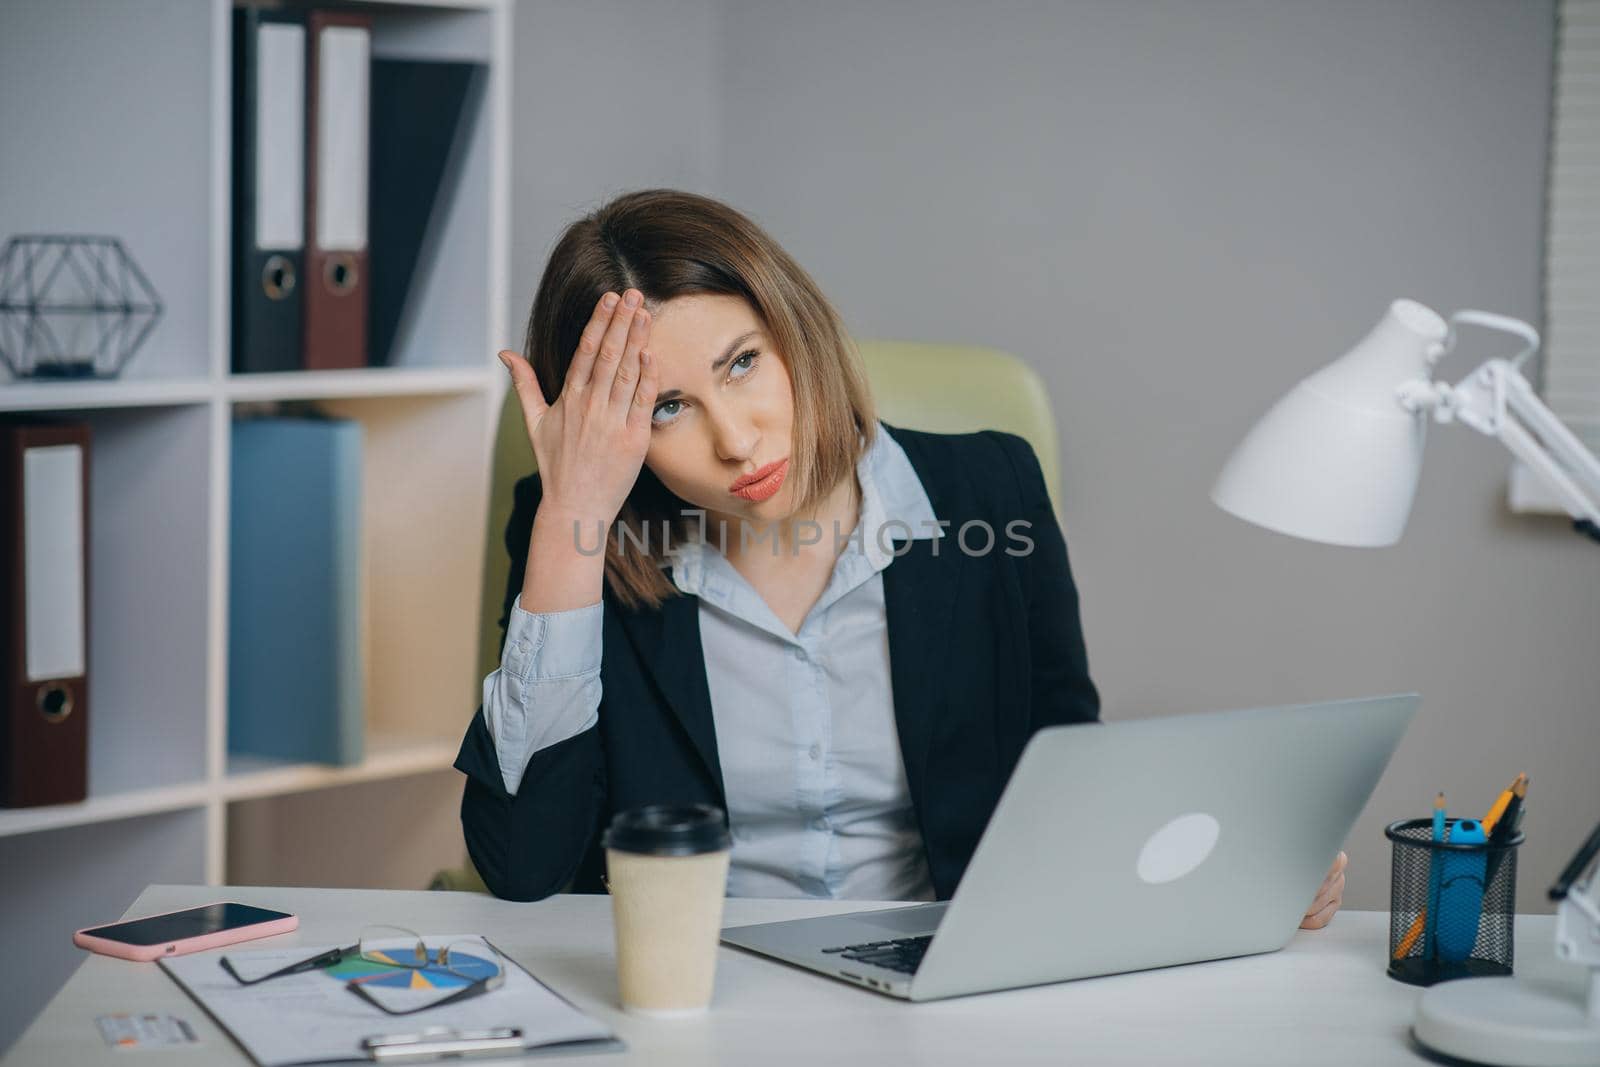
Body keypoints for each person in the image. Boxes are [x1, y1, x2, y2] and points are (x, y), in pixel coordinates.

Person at [454, 189, 1346, 927]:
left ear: (793, 326)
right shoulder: (574, 529)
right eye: (664, 408)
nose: (736, 440)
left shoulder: (991, 490)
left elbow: (1061, 778)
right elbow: (524, 869)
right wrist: (574, 514)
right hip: (698, 997)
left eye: (741, 364)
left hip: (949, 983)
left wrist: (1233, 874)